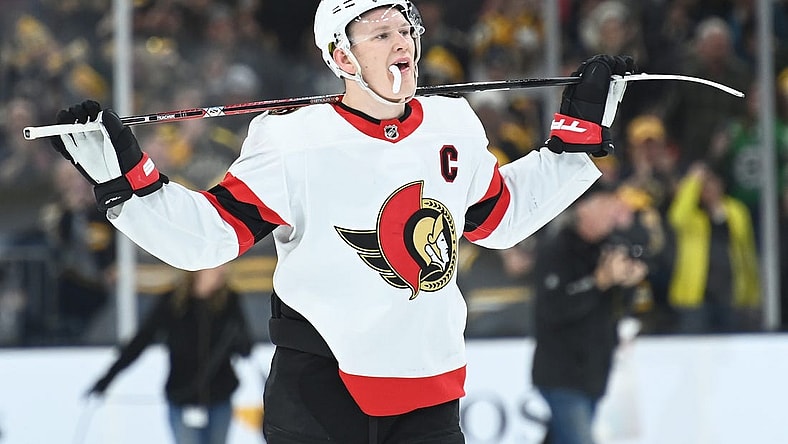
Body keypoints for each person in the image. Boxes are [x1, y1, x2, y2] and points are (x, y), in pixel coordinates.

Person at [49, 1, 635, 441]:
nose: (401, 42)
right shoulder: (291, 141)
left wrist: (573, 148)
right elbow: (208, 238)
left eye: (406, 30)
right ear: (341, 56)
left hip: (430, 393)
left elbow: (499, 218)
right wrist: (125, 182)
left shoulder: (454, 125)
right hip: (320, 392)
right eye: (380, 33)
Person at [531, 184, 649, 444]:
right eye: (606, 204)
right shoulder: (557, 249)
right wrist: (599, 282)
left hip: (595, 372)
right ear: (584, 208)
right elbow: (554, 309)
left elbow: (618, 309)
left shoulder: (611, 247)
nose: (613, 212)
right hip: (562, 373)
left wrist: (628, 283)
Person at [87, 265, 253, 444]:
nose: (222, 271)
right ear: (198, 269)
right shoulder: (172, 303)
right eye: (217, 268)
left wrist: (236, 336)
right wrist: (107, 378)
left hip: (219, 396)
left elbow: (245, 349)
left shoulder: (229, 302)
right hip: (181, 395)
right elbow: (141, 341)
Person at [666, 162, 760, 333]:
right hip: (695, 299)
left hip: (731, 296)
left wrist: (753, 295)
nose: (708, 189)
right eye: (704, 186)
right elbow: (676, 218)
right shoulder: (693, 218)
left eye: (712, 183)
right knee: (693, 350)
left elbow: (747, 251)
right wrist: (693, 181)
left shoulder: (736, 211)